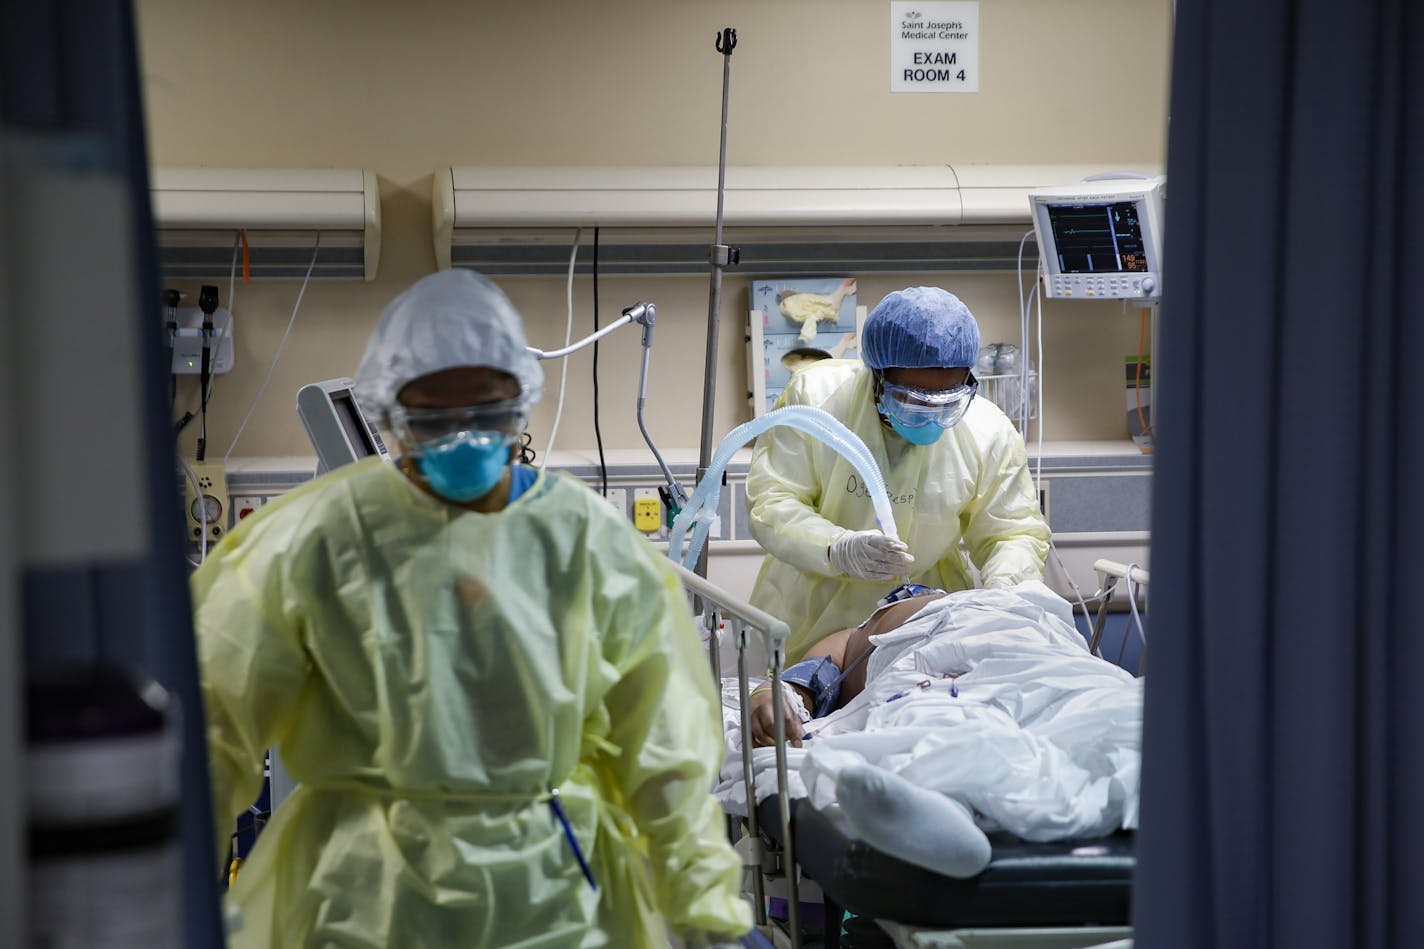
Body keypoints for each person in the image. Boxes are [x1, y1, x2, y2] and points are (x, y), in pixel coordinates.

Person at [192, 270, 751, 948]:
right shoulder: (317, 539)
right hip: (367, 893)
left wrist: (703, 905)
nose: (463, 436)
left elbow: (663, 740)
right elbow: (212, 721)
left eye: (485, 414)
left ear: (521, 407)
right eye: (434, 418)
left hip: (548, 889)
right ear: (391, 417)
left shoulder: (584, 540)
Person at [745, 286, 1051, 660]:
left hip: (923, 627)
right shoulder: (816, 399)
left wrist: (1005, 589)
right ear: (878, 375)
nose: (929, 413)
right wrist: (836, 547)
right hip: (810, 616)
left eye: (948, 399)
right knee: (799, 699)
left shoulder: (989, 432)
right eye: (911, 398)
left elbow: (1013, 532)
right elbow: (772, 501)